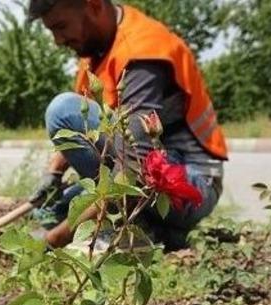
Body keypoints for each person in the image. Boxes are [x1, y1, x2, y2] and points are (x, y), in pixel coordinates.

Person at [27, 0, 227, 251]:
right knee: (52, 211)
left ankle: (127, 228)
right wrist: (53, 175)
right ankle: (158, 230)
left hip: (191, 184)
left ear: (94, 5)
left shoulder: (142, 49)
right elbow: (87, 127)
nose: (58, 40)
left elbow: (131, 167)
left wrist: (53, 241)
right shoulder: (95, 53)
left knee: (62, 110)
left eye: (61, 26)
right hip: (151, 177)